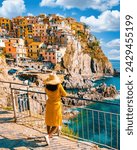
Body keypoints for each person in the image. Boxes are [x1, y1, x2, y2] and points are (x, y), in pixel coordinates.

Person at [43, 73, 67, 145]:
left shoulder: (46, 86)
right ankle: (48, 135)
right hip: (56, 105)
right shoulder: (59, 86)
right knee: (56, 123)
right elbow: (65, 94)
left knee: (49, 121)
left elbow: (46, 92)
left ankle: (48, 135)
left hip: (49, 104)